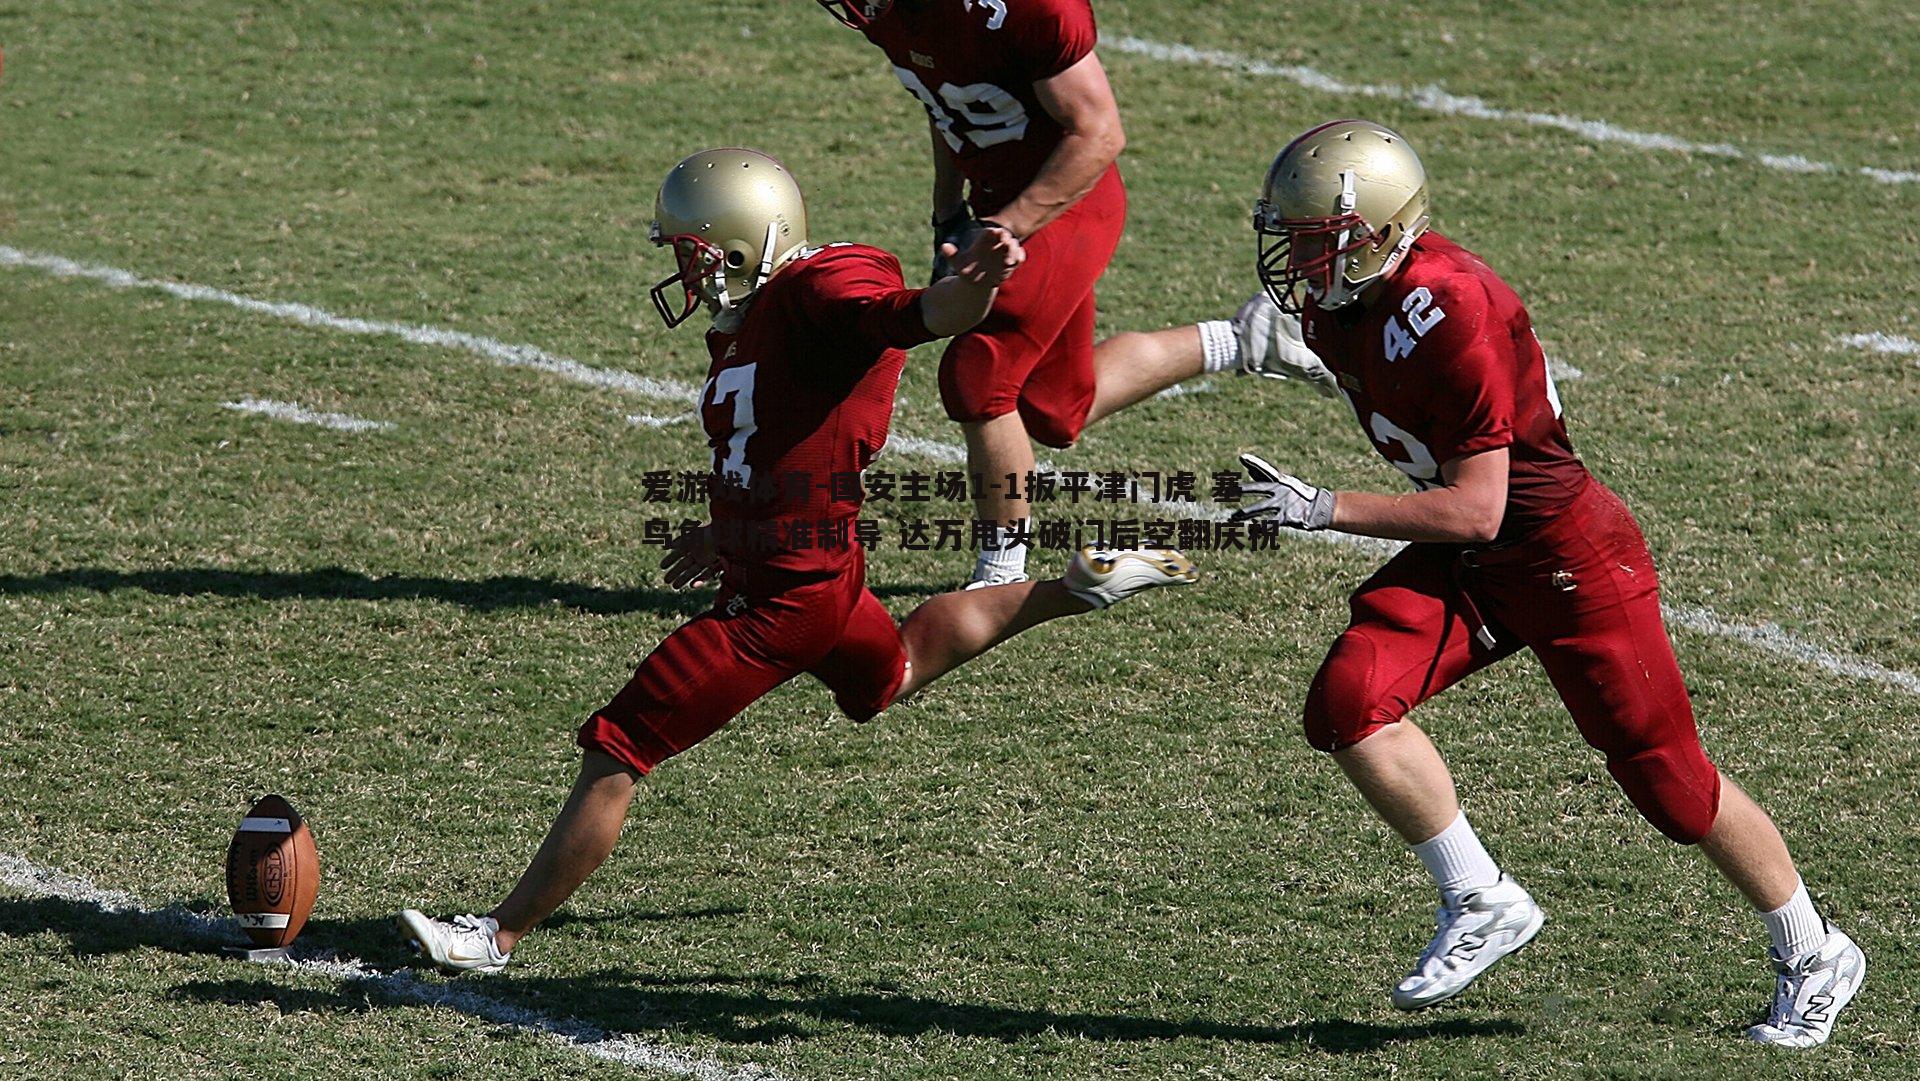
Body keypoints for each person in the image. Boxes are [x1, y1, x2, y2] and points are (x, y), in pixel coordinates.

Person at [398, 148, 1198, 972]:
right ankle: (1076, 587)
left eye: (695, 252)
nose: (685, 270)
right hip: (821, 566)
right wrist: (727, 526)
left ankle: (494, 935)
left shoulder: (821, 292)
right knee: (892, 673)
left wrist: (976, 287)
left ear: (745, 244)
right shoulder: (759, 316)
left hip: (777, 604)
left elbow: (921, 314)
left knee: (619, 745)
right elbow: (780, 441)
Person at [1231, 120, 1863, 1048]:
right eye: (1292, 236)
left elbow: (1476, 508)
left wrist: (1324, 507)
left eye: (1317, 239)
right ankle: (1480, 895)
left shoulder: (1453, 307)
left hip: (1562, 552)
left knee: (1668, 781)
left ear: (1380, 232)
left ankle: (1815, 947)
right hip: (1482, 560)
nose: (1298, 260)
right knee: (1349, 700)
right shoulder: (1340, 302)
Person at [817, 0, 1327, 588]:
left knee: (978, 376)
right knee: (1058, 409)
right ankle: (1248, 339)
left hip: (1069, 204)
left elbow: (1099, 132)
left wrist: (1008, 226)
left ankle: (1001, 573)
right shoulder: (893, 14)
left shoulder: (1025, 9)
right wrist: (949, 210)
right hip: (999, 203)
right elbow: (948, 106)